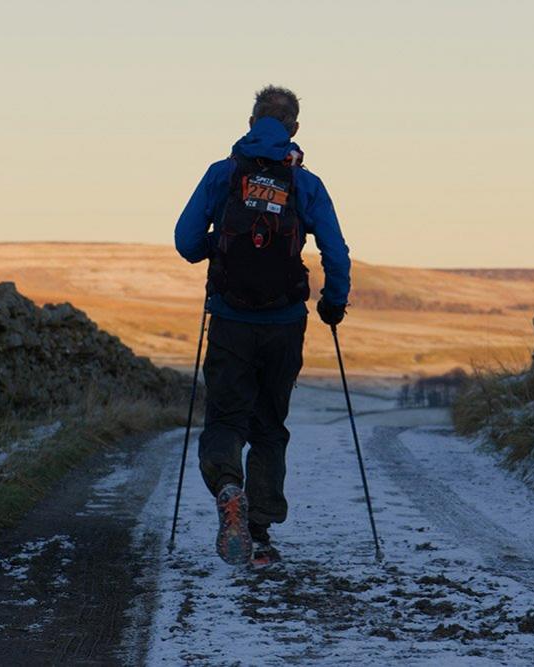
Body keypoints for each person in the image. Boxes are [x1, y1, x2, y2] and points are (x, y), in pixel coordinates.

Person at [174, 85, 351, 567]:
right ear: (293, 128)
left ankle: (229, 486)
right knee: (270, 426)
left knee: (226, 420)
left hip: (231, 320)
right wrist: (332, 305)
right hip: (284, 324)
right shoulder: (306, 184)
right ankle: (260, 535)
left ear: (252, 122)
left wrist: (218, 247)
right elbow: (336, 252)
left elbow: (186, 241)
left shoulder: (223, 174)